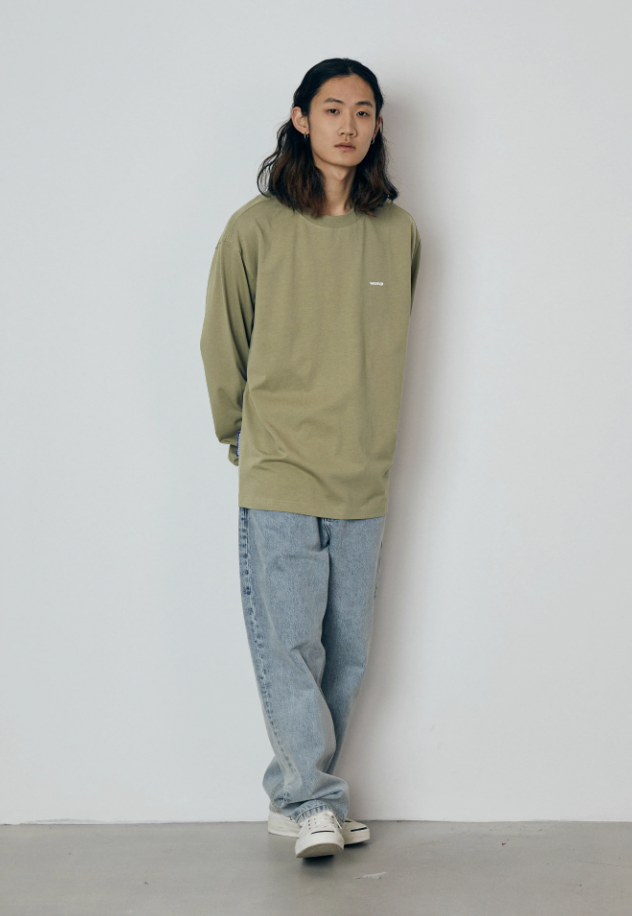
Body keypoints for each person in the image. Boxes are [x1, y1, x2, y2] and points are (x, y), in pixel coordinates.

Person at [200, 57, 421, 859]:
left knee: (347, 656)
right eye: (332, 109)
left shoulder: (397, 232)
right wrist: (243, 436)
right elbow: (221, 341)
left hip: (363, 472)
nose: (348, 125)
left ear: (378, 125)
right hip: (281, 468)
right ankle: (312, 800)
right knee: (289, 644)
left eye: (363, 111)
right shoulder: (254, 228)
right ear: (301, 119)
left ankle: (295, 798)